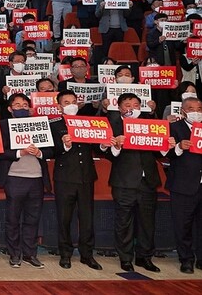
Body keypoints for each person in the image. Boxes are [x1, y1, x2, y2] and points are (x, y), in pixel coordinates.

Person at [103, 92, 172, 273]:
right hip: (124, 181)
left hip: (147, 181)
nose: (131, 108)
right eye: (127, 105)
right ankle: (125, 258)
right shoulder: (113, 125)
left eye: (135, 105)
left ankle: (144, 258)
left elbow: (159, 152)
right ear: (119, 108)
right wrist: (116, 146)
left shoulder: (151, 125)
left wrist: (166, 146)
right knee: (123, 222)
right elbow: (106, 153)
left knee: (147, 223)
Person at [0, 94, 52, 269]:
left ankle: (30, 254)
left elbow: (51, 149)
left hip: (36, 178)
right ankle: (14, 254)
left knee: (33, 219)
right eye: (17, 104)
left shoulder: (40, 124)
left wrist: (39, 152)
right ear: (10, 108)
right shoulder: (3, 126)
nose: (21, 107)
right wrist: (20, 152)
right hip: (14, 177)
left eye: (25, 104)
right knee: (13, 219)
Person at [50, 90, 102, 270]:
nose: (71, 104)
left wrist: (103, 144)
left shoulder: (88, 122)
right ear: (59, 106)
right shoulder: (54, 124)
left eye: (74, 101)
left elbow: (98, 146)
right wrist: (64, 145)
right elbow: (49, 150)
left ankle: (87, 254)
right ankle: (65, 254)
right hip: (65, 177)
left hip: (86, 176)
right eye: (66, 102)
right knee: (64, 218)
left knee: (87, 218)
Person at [165, 96, 202, 273]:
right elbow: (165, 152)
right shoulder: (173, 128)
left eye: (199, 109)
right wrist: (179, 147)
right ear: (183, 111)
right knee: (183, 224)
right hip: (183, 184)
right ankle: (186, 259)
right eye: (191, 108)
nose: (196, 112)